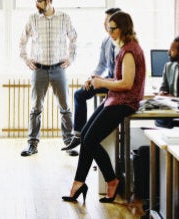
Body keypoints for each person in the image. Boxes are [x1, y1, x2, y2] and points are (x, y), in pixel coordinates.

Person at [62, 11, 145, 203]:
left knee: (90, 140)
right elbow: (119, 80)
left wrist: (102, 83)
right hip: (115, 99)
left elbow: (126, 84)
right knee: (85, 136)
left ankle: (111, 179)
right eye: (108, 28)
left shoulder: (130, 51)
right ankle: (79, 182)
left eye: (113, 28)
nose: (109, 32)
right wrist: (99, 79)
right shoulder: (124, 48)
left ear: (124, 28)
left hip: (124, 102)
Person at [19, 0, 77, 157]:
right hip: (39, 70)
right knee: (35, 108)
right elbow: (22, 41)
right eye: (36, 1)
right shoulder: (33, 19)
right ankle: (32, 145)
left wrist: (71, 58)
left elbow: (73, 38)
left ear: (48, 1)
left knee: (65, 108)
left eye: (39, 1)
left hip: (59, 69)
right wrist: (26, 59)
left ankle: (69, 143)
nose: (36, 4)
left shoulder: (64, 17)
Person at [62, 8, 122, 154]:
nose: (105, 25)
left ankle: (89, 138)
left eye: (107, 22)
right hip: (107, 80)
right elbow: (101, 65)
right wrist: (91, 77)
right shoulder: (106, 41)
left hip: (118, 84)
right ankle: (78, 134)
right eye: (104, 22)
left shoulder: (124, 44)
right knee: (79, 94)